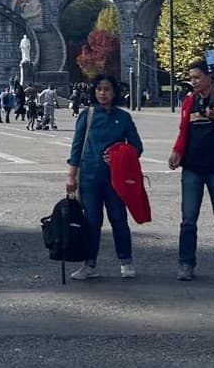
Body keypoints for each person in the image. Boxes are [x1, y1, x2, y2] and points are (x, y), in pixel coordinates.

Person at [167, 60, 214, 282]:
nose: (193, 81)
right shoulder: (189, 101)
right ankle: (186, 264)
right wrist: (176, 152)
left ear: (209, 77)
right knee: (188, 219)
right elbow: (183, 131)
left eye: (197, 77)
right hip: (192, 167)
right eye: (191, 77)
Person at [66, 75, 145, 281]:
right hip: (90, 177)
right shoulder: (87, 115)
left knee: (119, 219)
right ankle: (89, 264)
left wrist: (119, 154)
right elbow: (76, 146)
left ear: (114, 92)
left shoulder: (123, 117)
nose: (102, 93)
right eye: (99, 89)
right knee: (92, 221)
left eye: (107, 89)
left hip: (116, 178)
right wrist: (71, 176)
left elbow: (137, 146)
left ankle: (126, 261)